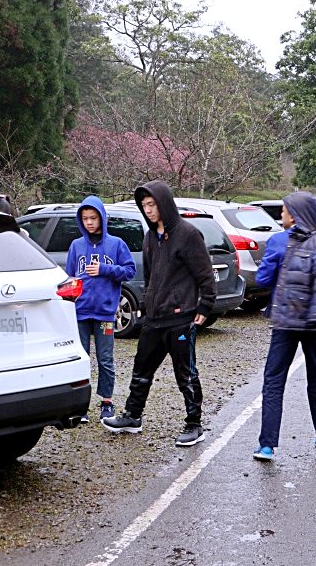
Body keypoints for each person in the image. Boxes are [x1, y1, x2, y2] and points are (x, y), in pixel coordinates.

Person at [102, 180, 217, 447]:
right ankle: (133, 416)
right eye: (144, 206)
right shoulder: (150, 236)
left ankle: (194, 424)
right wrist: (144, 303)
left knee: (185, 374)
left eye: (152, 204)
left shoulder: (188, 234)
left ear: (164, 203)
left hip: (180, 318)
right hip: (154, 318)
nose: (149, 210)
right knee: (141, 369)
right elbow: (151, 275)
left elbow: (205, 274)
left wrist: (205, 305)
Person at [251, 192, 316, 461]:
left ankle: (267, 445)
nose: (281, 215)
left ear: (295, 215)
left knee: (274, 379)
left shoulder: (279, 241)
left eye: (285, 211)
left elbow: (264, 278)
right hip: (312, 323)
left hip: (286, 321)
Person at [67, 196, 136, 423]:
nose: (89, 222)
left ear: (102, 218)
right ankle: (81, 405)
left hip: (106, 312)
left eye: (93, 218)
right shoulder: (76, 246)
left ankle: (106, 401)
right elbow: (70, 278)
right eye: (85, 218)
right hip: (81, 312)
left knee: (105, 358)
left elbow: (129, 271)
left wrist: (105, 269)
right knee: (82, 359)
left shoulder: (116, 244)